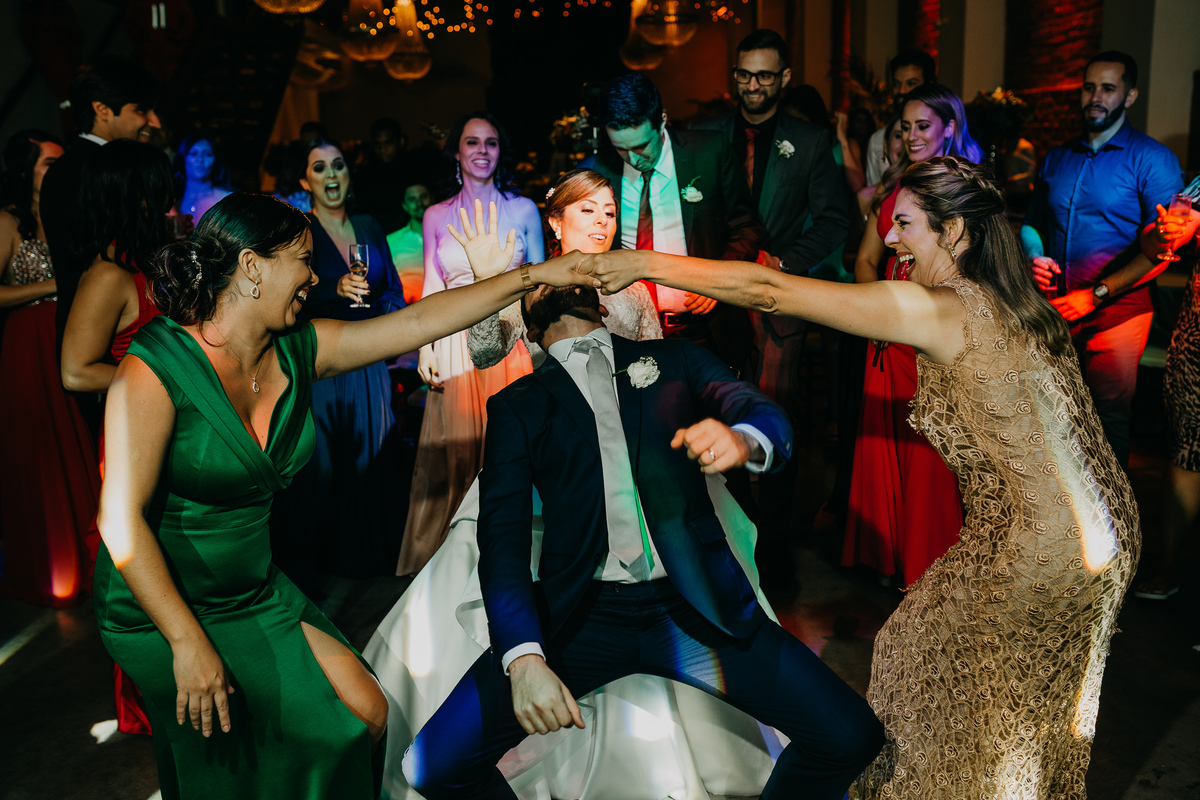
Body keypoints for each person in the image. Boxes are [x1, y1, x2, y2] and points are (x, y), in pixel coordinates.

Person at [581, 155, 1141, 799]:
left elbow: (770, 290)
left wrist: (644, 263)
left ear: (955, 230)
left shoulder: (942, 307)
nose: (890, 238)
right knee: (986, 691)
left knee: (957, 700)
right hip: (1103, 531)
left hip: (1039, 544)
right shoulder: (1015, 300)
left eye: (905, 224)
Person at [92, 191, 594, 799]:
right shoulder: (155, 365)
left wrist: (531, 276)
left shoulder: (299, 349)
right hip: (161, 604)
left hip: (249, 589)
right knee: (249, 758)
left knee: (365, 712)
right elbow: (120, 522)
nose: (314, 278)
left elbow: (417, 322)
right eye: (304, 261)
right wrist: (185, 640)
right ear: (251, 266)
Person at [402, 203, 884, 800]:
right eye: (546, 276)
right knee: (432, 765)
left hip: (696, 609)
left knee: (850, 735)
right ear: (525, 318)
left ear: (603, 303)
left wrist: (744, 438)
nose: (561, 276)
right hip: (577, 618)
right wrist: (523, 658)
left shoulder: (674, 361)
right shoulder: (517, 405)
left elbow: (756, 408)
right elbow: (501, 537)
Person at [692, 29, 849, 583]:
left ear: (784, 78)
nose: (752, 85)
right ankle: (735, 540)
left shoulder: (809, 141)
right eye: (744, 74)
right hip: (713, 300)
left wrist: (783, 261)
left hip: (779, 301)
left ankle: (775, 549)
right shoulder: (706, 135)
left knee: (775, 417)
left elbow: (835, 219)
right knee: (717, 414)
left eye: (763, 75)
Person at [841, 83, 980, 588]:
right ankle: (889, 556)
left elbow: (977, 270)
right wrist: (877, 313)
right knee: (885, 441)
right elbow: (864, 258)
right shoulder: (893, 188)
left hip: (933, 333)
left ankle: (927, 563)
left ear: (950, 127)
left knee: (929, 455)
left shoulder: (965, 188)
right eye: (905, 127)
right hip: (887, 335)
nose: (912, 136)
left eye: (924, 125)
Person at [1021, 51, 1183, 466]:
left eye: (1108, 88)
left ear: (1129, 96)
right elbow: (1033, 223)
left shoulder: (1152, 158)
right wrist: (1034, 256)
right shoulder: (1058, 156)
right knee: (1053, 417)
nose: (1095, 97)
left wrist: (1095, 295)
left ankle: (1111, 508)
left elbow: (1161, 249)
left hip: (1119, 312)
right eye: (1089, 87)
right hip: (1057, 309)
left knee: (1106, 422)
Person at [61, 138, 173, 736]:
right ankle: (152, 698)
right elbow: (75, 370)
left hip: (169, 428)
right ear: (134, 196)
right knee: (143, 564)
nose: (168, 202)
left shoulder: (150, 261)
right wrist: (158, 382)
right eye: (158, 191)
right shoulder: (107, 275)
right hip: (134, 435)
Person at [400, 113, 544, 576]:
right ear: (457, 152)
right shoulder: (435, 215)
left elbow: (540, 284)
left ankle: (514, 560)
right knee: (459, 455)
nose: (482, 150)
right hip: (454, 341)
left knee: (511, 449)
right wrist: (425, 348)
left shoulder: (523, 209)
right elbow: (431, 287)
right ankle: (457, 565)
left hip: (510, 338)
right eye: (472, 142)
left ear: (501, 152)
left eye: (491, 142)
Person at [269, 138, 408, 587]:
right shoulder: (299, 230)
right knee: (324, 467)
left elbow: (392, 291)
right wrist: (334, 288)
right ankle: (313, 571)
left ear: (349, 175)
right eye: (320, 167)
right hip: (324, 360)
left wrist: (389, 324)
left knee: (375, 458)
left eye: (339, 165)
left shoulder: (368, 225)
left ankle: (369, 563)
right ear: (305, 181)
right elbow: (285, 298)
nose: (331, 174)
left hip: (370, 360)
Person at [581, 72, 766, 374]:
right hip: (626, 334)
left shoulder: (710, 152)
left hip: (705, 330)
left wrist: (716, 282)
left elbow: (748, 228)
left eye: (641, 146)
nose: (632, 159)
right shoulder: (597, 170)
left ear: (662, 121)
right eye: (621, 148)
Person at [0, 129, 101, 609]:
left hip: (70, 336)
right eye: (48, 163)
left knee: (78, 442)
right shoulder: (7, 221)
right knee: (38, 452)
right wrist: (51, 287)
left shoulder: (71, 217)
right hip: (27, 342)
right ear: (26, 172)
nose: (58, 172)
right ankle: (50, 567)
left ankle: (91, 563)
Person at [39, 55, 160, 435]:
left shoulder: (88, 164)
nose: (152, 122)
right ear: (102, 110)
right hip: (103, 343)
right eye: (140, 110)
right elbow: (87, 261)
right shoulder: (80, 170)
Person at [1134, 199, 1200, 600]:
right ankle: (1167, 566)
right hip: (1196, 343)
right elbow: (1157, 241)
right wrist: (1163, 233)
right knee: (1186, 452)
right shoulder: (1199, 191)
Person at [863, 50, 936, 186]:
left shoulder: (944, 136)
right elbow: (874, 190)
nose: (901, 90)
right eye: (896, 84)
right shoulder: (877, 140)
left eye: (911, 83)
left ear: (929, 84)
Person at [355, 117, 412, 234]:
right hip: (378, 237)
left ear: (401, 142)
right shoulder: (364, 176)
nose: (382, 149)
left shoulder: (415, 170)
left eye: (388, 143)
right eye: (377, 144)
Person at [387, 183, 432, 303]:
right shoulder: (391, 241)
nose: (419, 203)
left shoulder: (448, 236)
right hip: (409, 308)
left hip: (448, 305)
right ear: (405, 206)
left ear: (432, 198)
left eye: (423, 196)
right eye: (412, 199)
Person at [173, 131, 232, 223]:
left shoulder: (226, 200)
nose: (200, 159)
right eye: (194, 153)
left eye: (207, 154)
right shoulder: (172, 199)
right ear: (183, 158)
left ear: (215, 160)